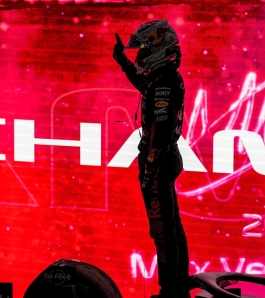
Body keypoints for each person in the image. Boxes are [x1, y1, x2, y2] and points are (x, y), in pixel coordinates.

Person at [112, 19, 190, 298]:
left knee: (162, 231)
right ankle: (178, 286)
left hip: (159, 160)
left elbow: (161, 130)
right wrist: (122, 61)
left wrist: (149, 170)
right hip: (164, 158)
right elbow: (143, 86)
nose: (140, 54)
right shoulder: (163, 76)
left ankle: (170, 290)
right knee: (172, 228)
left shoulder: (164, 81)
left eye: (144, 49)